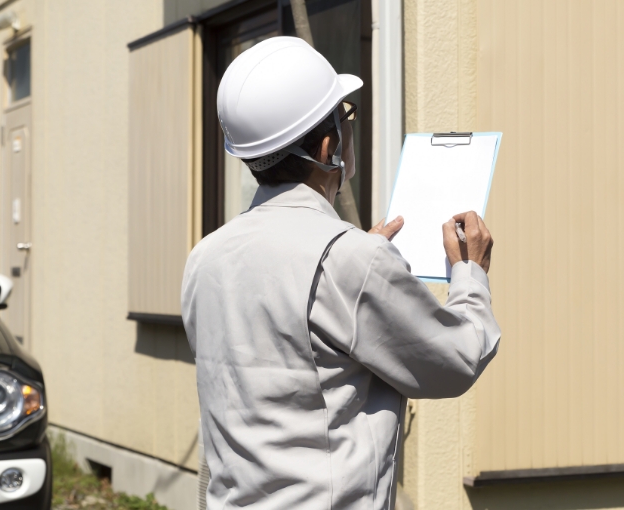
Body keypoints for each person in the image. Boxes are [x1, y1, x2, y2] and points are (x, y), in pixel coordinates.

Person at [181, 37, 500, 510]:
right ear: (329, 145)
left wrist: (357, 261)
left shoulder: (205, 257)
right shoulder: (348, 262)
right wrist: (469, 274)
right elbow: (454, 361)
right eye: (345, 116)